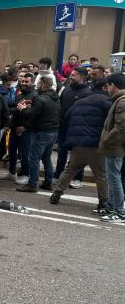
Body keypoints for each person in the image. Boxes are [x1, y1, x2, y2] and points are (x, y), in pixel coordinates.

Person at [49, 79, 111, 209]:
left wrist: (69, 140)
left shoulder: (79, 102)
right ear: (105, 87)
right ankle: (103, 201)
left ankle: (56, 193)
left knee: (70, 170)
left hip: (78, 144)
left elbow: (67, 119)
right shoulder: (107, 102)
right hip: (96, 145)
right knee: (101, 174)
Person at [16, 76, 60, 193]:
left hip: (41, 131)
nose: (37, 85)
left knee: (33, 158)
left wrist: (22, 108)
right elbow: (43, 110)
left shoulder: (41, 99)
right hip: (53, 131)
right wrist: (32, 104)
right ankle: (48, 182)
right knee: (46, 157)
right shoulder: (55, 97)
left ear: (43, 84)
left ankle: (33, 184)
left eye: (39, 83)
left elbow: (31, 114)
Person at [54, 67, 92, 188]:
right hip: (63, 127)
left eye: (74, 75)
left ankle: (77, 178)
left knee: (77, 154)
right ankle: (58, 175)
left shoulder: (87, 93)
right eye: (71, 74)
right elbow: (59, 105)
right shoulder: (66, 89)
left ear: (82, 77)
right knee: (61, 152)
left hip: (78, 128)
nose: (71, 77)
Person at [97, 73, 125, 223]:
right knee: (113, 177)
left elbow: (121, 128)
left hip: (115, 147)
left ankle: (120, 212)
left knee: (114, 179)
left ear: (113, 85)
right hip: (114, 146)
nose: (106, 88)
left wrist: (106, 141)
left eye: (108, 85)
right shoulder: (119, 100)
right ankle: (111, 207)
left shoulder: (122, 102)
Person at [8, 72, 37, 183]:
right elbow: (15, 108)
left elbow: (34, 115)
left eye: (27, 81)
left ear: (32, 82)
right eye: (23, 81)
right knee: (11, 151)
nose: (24, 83)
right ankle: (11, 172)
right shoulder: (20, 94)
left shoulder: (35, 96)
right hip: (14, 128)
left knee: (25, 153)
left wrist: (24, 127)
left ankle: (26, 174)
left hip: (26, 130)